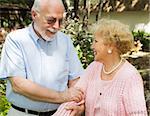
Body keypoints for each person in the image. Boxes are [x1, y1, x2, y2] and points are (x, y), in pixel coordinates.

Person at [0, 0, 84, 115]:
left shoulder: (65, 41)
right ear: (34, 15)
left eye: (60, 20)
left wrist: (77, 105)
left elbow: (76, 80)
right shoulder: (16, 40)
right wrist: (63, 96)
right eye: (51, 20)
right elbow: (19, 85)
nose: (57, 26)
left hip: (60, 113)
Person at [53, 19, 148, 116]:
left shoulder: (130, 77)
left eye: (96, 41)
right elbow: (75, 96)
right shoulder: (94, 68)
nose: (92, 46)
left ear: (110, 46)